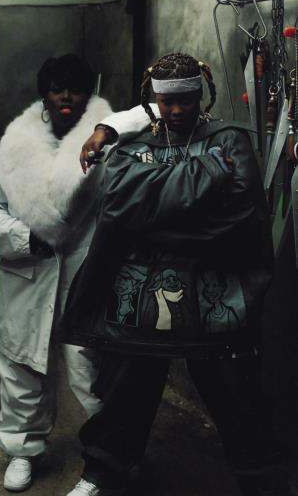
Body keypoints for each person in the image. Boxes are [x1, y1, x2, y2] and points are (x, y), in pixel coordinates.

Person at [60, 52, 292, 496]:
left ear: (201, 94)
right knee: (126, 390)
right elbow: (118, 205)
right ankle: (101, 472)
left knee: (237, 394)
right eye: (167, 101)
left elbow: (240, 215)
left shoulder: (229, 139)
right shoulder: (134, 143)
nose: (177, 109)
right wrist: (205, 176)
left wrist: (154, 213)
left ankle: (264, 483)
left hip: (214, 290)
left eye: (186, 99)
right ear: (154, 99)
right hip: (142, 292)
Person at [0, 53, 121, 492]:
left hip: (84, 274)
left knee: (91, 370)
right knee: (22, 368)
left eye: (75, 88)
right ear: (45, 95)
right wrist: (25, 237)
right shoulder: (10, 155)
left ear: (87, 94)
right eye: (58, 89)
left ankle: (108, 456)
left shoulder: (108, 151)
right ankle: (22, 451)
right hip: (28, 276)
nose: (66, 97)